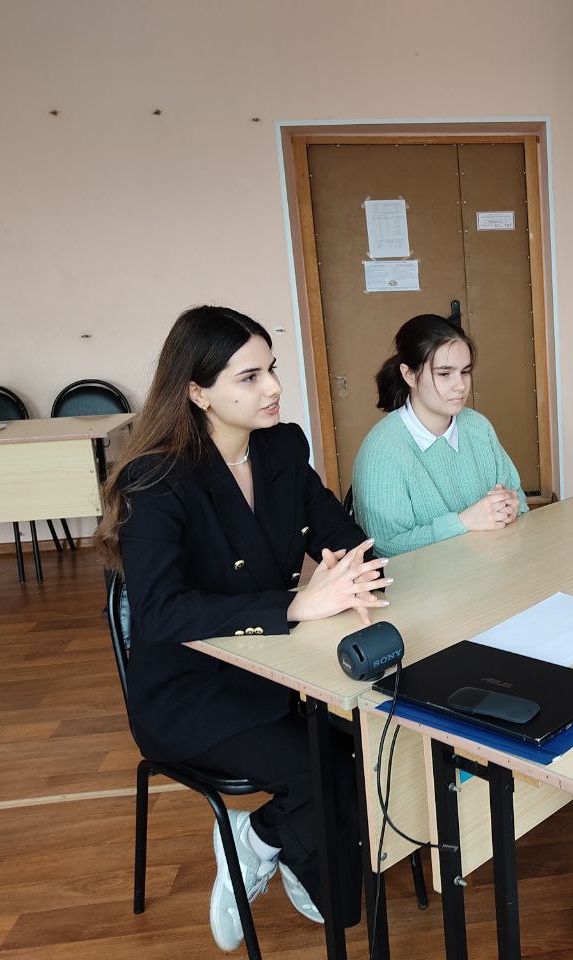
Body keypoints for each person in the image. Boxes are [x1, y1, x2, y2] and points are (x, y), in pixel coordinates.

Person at [95, 306, 388, 951]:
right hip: (191, 689)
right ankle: (261, 844)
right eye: (250, 377)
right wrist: (294, 605)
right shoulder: (158, 480)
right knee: (321, 771)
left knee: (373, 744)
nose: (274, 387)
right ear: (198, 392)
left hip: (283, 669)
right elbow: (161, 611)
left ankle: (266, 839)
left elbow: (343, 538)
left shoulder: (282, 447)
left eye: (271, 369)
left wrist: (354, 571)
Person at [352, 313, 527, 557]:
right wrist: (463, 522)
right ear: (409, 375)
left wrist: (511, 507)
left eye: (465, 372)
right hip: (427, 578)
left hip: (489, 564)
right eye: (445, 374)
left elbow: (519, 499)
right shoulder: (383, 448)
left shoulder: (478, 426)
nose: (461, 386)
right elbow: (385, 546)